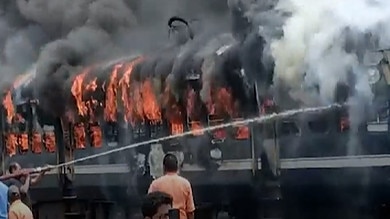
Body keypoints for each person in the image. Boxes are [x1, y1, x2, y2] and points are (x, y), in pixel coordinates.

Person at [148, 154, 195, 219]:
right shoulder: (185, 184)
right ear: (177, 167)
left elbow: (148, 207)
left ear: (164, 167)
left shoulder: (155, 184)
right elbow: (190, 211)